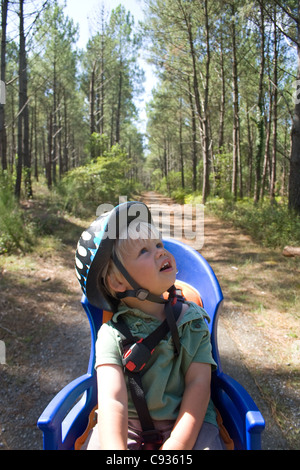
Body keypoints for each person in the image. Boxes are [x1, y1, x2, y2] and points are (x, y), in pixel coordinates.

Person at [75, 201, 227, 450]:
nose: (160, 252)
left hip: (189, 421)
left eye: (159, 244)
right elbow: (113, 401)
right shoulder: (111, 335)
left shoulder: (191, 322)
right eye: (144, 251)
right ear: (117, 282)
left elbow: (198, 385)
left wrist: (177, 444)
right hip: (127, 425)